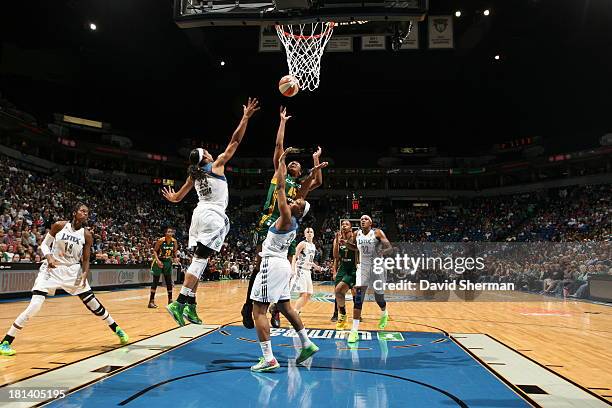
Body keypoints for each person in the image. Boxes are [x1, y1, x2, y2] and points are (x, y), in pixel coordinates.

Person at [162, 97, 260, 326]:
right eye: (206, 151)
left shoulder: (194, 175)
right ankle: (179, 301)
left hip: (198, 216)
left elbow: (177, 198)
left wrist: (172, 196)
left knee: (201, 261)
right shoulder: (215, 166)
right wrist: (245, 117)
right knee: (199, 262)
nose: (210, 151)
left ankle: (191, 306)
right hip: (212, 217)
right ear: (205, 158)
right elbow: (235, 141)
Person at [0, 203, 129, 356]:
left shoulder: (86, 235)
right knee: (34, 306)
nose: (85, 214)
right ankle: (6, 342)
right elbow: (44, 245)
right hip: (52, 269)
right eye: (82, 211)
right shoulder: (59, 226)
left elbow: (86, 259)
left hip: (72, 271)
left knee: (93, 304)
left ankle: (117, 329)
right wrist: (48, 258)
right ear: (75, 212)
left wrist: (84, 273)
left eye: (87, 212)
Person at [242, 107, 326, 329]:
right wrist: (282, 122)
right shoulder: (279, 175)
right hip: (268, 223)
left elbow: (317, 181)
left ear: (300, 172)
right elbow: (279, 148)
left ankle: (277, 310)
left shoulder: (299, 190)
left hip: (286, 230)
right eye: (291, 162)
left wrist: (316, 159)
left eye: (297, 164)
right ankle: (247, 305)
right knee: (259, 267)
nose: (293, 163)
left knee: (286, 272)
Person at [250, 148, 319, 372]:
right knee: (287, 308)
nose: (295, 201)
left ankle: (268, 358)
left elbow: (280, 187)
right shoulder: (294, 221)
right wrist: (310, 175)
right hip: (282, 266)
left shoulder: (286, 217)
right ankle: (307, 344)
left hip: (271, 264)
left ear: (298, 210)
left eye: (298, 202)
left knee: (258, 310)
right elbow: (296, 192)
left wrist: (280, 160)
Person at [347, 215, 393, 343]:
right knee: (358, 298)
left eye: (366, 219)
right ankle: (354, 331)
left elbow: (389, 247)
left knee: (379, 297)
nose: (363, 220)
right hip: (363, 267)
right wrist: (345, 243)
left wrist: (382, 252)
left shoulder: (377, 233)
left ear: (371, 223)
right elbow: (354, 247)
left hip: (377, 267)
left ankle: (384, 313)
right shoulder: (356, 234)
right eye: (361, 219)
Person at [333, 220, 358, 330]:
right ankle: (341, 315)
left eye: (346, 224)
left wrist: (345, 243)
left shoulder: (355, 237)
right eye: (342, 224)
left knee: (344, 290)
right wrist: (337, 242)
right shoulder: (338, 238)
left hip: (353, 268)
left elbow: (357, 249)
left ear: (351, 228)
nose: (344, 225)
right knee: (338, 293)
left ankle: (347, 316)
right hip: (343, 267)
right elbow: (336, 256)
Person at [148, 227, 177, 309]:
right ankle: (151, 301)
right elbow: (154, 251)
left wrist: (175, 258)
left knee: (169, 281)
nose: (170, 233)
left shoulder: (174, 241)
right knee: (156, 281)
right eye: (169, 231)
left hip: (168, 261)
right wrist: (157, 261)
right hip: (159, 261)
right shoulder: (161, 240)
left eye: (171, 232)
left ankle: (170, 300)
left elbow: (175, 251)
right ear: (165, 233)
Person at [290, 227, 318, 314]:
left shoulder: (313, 246)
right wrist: (292, 268)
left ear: (313, 234)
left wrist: (316, 266)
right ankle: (295, 312)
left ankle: (296, 309)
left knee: (309, 294)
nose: (309, 233)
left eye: (311, 232)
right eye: (308, 232)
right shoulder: (302, 244)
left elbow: (309, 260)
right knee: (303, 294)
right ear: (305, 234)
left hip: (307, 271)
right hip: (300, 270)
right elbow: (294, 256)